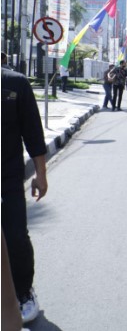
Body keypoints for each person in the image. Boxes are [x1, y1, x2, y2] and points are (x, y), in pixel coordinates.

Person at [2, 66, 48, 323]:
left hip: (7, 179)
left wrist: (41, 174)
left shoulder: (15, 83)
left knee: (15, 237)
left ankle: (23, 292)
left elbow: (32, 131)